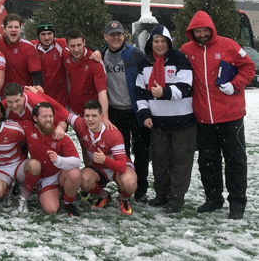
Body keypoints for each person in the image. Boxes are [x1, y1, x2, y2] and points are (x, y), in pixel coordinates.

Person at [179, 11, 255, 219]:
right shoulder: (187, 50)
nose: (202, 34)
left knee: (235, 161)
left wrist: (235, 84)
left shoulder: (228, 45)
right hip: (203, 119)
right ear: (192, 32)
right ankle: (213, 199)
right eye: (198, 31)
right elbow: (170, 62)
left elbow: (248, 66)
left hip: (231, 117)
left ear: (211, 30)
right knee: (208, 161)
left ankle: (237, 203)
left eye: (205, 30)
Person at [135, 25, 196, 213]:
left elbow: (185, 86)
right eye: (156, 41)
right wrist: (144, 114)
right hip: (158, 123)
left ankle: (176, 199)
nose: (159, 45)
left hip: (182, 122)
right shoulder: (145, 63)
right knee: (160, 161)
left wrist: (164, 92)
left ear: (169, 43)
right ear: (150, 43)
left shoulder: (180, 59)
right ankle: (161, 194)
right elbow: (140, 93)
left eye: (163, 41)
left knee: (180, 161)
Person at [98, 20, 150, 202]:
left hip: (136, 111)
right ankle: (124, 188)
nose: (116, 38)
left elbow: (147, 79)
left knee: (142, 152)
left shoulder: (135, 54)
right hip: (115, 113)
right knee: (122, 153)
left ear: (124, 36)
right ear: (105, 37)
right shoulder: (101, 54)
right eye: (112, 35)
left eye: (119, 34)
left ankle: (141, 189)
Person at [66, 100, 138, 216]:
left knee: (129, 184)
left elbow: (121, 167)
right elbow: (60, 110)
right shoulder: (81, 124)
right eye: (87, 116)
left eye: (94, 116)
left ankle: (124, 198)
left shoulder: (113, 133)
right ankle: (104, 196)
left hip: (118, 167)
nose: (90, 119)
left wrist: (105, 160)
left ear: (102, 117)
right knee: (83, 180)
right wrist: (38, 94)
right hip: (98, 167)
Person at [0, 99, 41, 213]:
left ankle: (24, 197)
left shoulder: (15, 129)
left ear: (2, 114)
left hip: (17, 164)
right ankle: (8, 190)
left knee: (35, 165)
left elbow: (27, 141)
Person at [21, 102, 81, 216]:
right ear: (35, 118)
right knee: (51, 210)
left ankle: (68, 202)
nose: (48, 119)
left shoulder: (60, 134)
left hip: (61, 173)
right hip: (46, 178)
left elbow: (77, 161)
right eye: (44, 117)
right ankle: (53, 190)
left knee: (75, 173)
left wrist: (58, 160)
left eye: (50, 116)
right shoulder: (28, 128)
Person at [63, 29, 110, 125]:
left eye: (79, 45)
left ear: (84, 42)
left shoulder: (95, 62)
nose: (76, 49)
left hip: (91, 112)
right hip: (73, 110)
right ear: (67, 45)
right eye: (72, 46)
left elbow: (102, 91)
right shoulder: (65, 54)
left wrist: (104, 116)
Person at [0, 13, 43, 92]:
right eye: (10, 27)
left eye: (16, 27)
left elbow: (36, 74)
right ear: (4, 29)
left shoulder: (28, 47)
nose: (13, 29)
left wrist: (37, 87)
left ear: (20, 29)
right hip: (1, 96)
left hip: (21, 96)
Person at [32, 21, 68, 107]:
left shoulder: (62, 44)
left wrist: (96, 51)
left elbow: (80, 45)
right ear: (38, 36)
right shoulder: (32, 46)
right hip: (41, 98)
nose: (47, 37)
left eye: (49, 33)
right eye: (43, 34)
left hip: (61, 98)